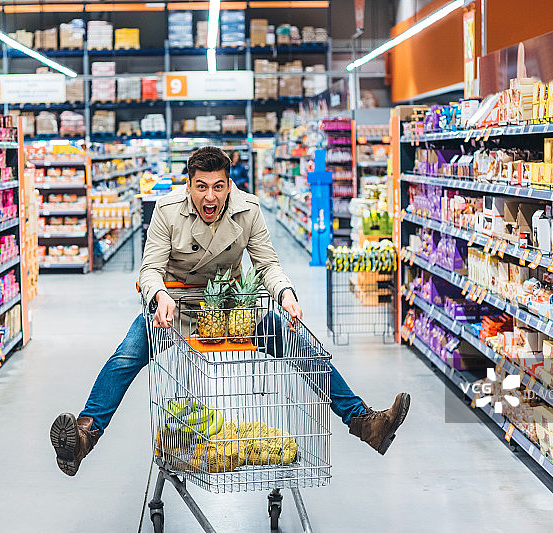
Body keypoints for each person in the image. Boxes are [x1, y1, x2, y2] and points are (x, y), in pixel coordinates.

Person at [50, 146, 410, 476]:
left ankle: (364, 423)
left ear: (229, 185)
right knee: (126, 356)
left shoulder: (248, 210)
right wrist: (160, 296)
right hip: (176, 308)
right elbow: (149, 269)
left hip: (231, 309)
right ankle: (84, 436)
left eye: (219, 186)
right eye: (202, 186)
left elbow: (267, 264)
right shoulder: (166, 211)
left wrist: (285, 293)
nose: (211, 196)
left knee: (305, 350)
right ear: (188, 185)